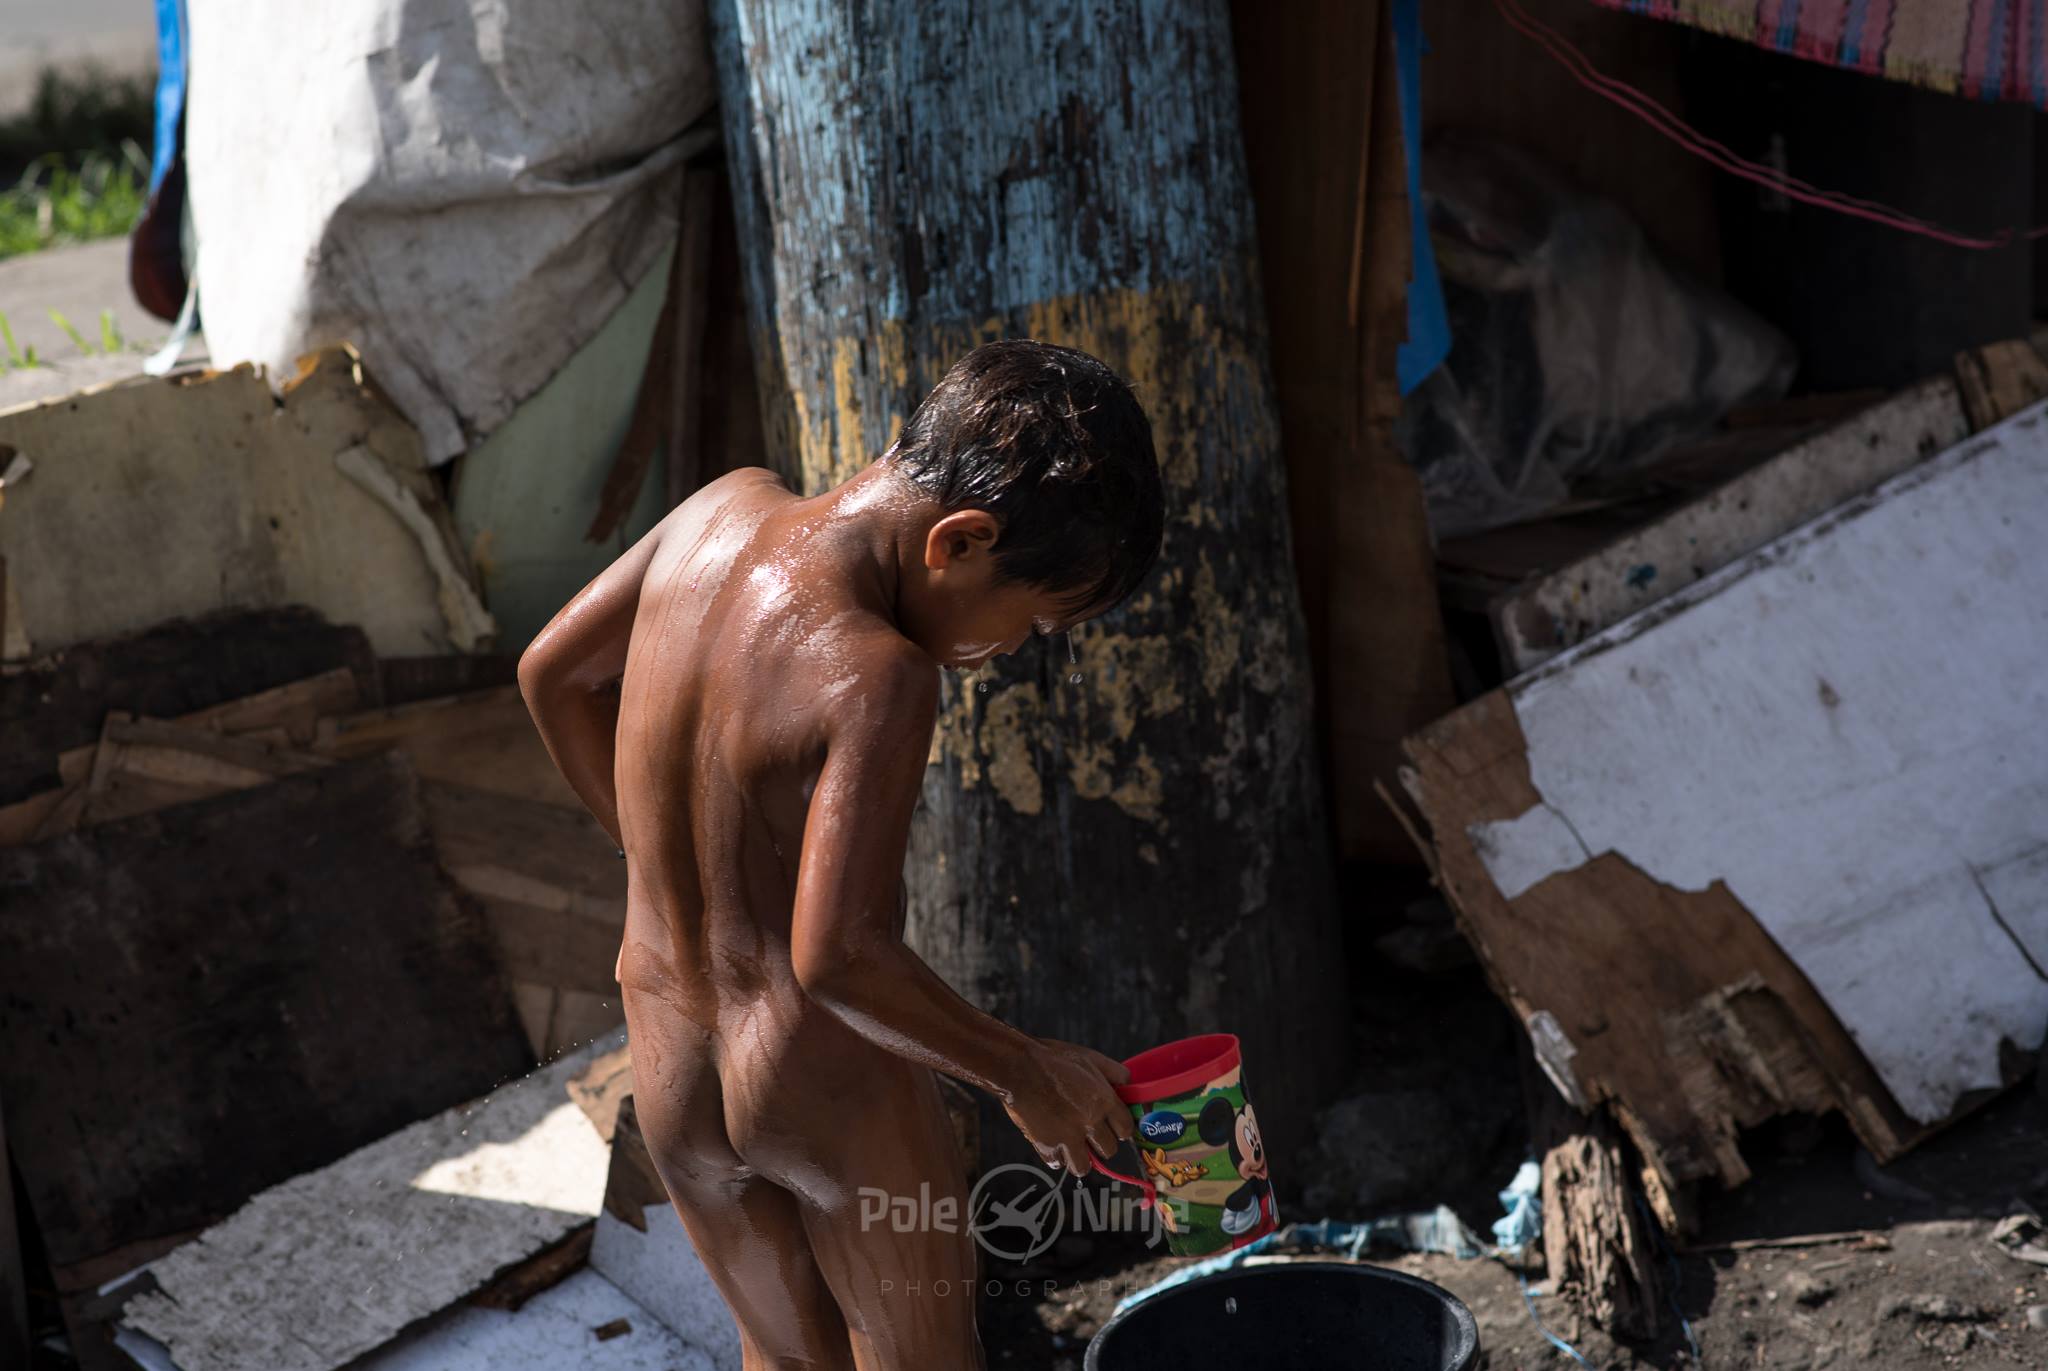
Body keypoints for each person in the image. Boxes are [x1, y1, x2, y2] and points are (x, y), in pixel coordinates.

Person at [518, 339, 1166, 1369]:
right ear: (958, 541)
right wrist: (1020, 1068)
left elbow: (552, 674)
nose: (1011, 650)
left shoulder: (713, 511)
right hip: (812, 1077)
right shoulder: (878, 674)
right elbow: (834, 955)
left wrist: (665, 859)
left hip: (670, 1063)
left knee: (781, 1359)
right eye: (1031, 619)